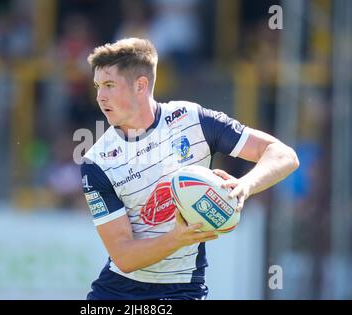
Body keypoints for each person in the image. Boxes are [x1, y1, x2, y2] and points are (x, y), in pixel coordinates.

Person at [80, 38, 299, 300]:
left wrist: (245, 185)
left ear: (141, 85)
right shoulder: (97, 161)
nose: (100, 96)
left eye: (109, 85)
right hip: (118, 291)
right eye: (97, 86)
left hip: (183, 288)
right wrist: (177, 239)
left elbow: (284, 155)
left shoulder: (192, 119)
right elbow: (124, 256)